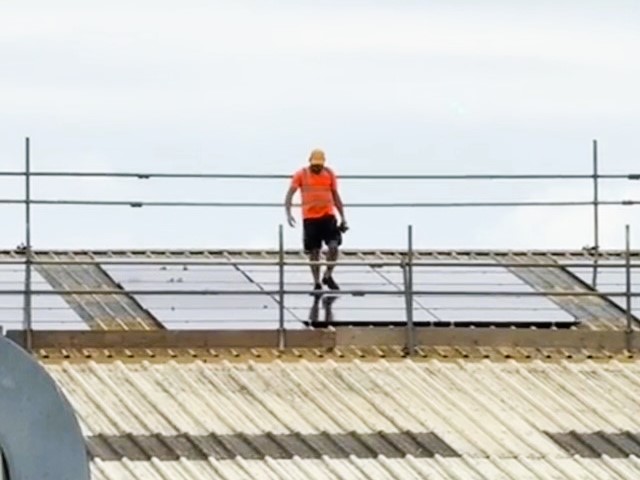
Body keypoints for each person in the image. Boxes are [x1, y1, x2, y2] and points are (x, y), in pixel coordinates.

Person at [285, 148, 348, 293]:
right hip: (310, 218)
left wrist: (343, 217)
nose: (317, 167)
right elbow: (290, 194)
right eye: (315, 165)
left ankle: (328, 275)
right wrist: (288, 213)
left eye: (319, 165)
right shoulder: (301, 174)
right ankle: (316, 281)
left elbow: (335, 195)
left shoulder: (329, 174)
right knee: (314, 251)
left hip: (328, 216)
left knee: (333, 246)